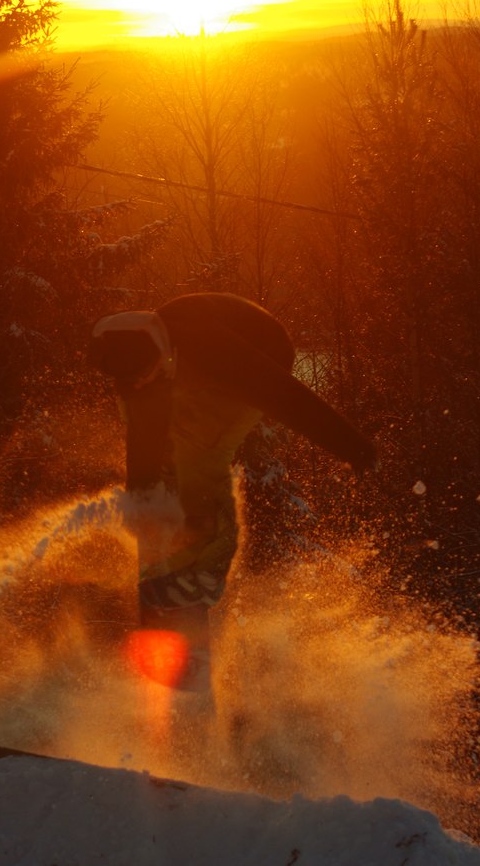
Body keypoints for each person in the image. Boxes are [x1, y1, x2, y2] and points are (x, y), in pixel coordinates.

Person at [90, 292, 376, 688]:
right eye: (129, 379)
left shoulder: (221, 354)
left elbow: (292, 401)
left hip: (262, 350)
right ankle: (172, 554)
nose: (136, 382)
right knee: (161, 441)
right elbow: (143, 436)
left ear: (161, 352)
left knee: (199, 453)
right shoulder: (132, 364)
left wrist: (352, 447)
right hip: (182, 367)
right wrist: (143, 498)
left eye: (143, 373)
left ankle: (206, 565)